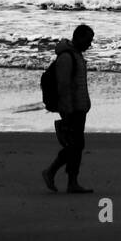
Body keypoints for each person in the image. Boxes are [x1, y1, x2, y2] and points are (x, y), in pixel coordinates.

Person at [42, 24, 94, 194]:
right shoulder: (66, 57)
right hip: (71, 109)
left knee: (76, 145)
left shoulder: (76, 55)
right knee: (76, 145)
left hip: (78, 107)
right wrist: (67, 110)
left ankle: (70, 181)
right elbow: (63, 86)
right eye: (88, 40)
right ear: (78, 37)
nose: (89, 44)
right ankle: (54, 173)